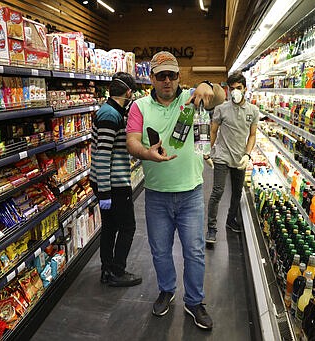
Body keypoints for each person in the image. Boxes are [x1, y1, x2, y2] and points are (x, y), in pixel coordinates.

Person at [126, 51, 225, 330]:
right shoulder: (139, 107)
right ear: (151, 78)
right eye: (161, 76)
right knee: (160, 251)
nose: (167, 81)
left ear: (179, 76)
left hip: (191, 192)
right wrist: (146, 152)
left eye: (172, 75)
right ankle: (166, 290)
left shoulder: (191, 98)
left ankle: (194, 301)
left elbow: (219, 97)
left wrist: (208, 84)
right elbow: (131, 142)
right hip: (156, 194)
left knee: (194, 251)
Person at [90, 72, 142, 287]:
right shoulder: (110, 115)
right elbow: (103, 156)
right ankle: (117, 272)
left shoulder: (112, 111)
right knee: (128, 227)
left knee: (110, 226)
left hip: (108, 182)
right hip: (113, 183)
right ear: (128, 92)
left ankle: (107, 270)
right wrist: (105, 192)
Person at [205, 72, 259, 244]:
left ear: (245, 89)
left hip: (239, 158)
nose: (235, 91)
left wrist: (248, 154)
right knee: (217, 191)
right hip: (221, 155)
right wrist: (208, 151)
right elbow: (213, 131)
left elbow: (252, 135)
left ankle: (230, 220)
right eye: (232, 88)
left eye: (239, 88)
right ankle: (212, 228)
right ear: (228, 90)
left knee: (237, 192)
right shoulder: (221, 109)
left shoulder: (253, 111)